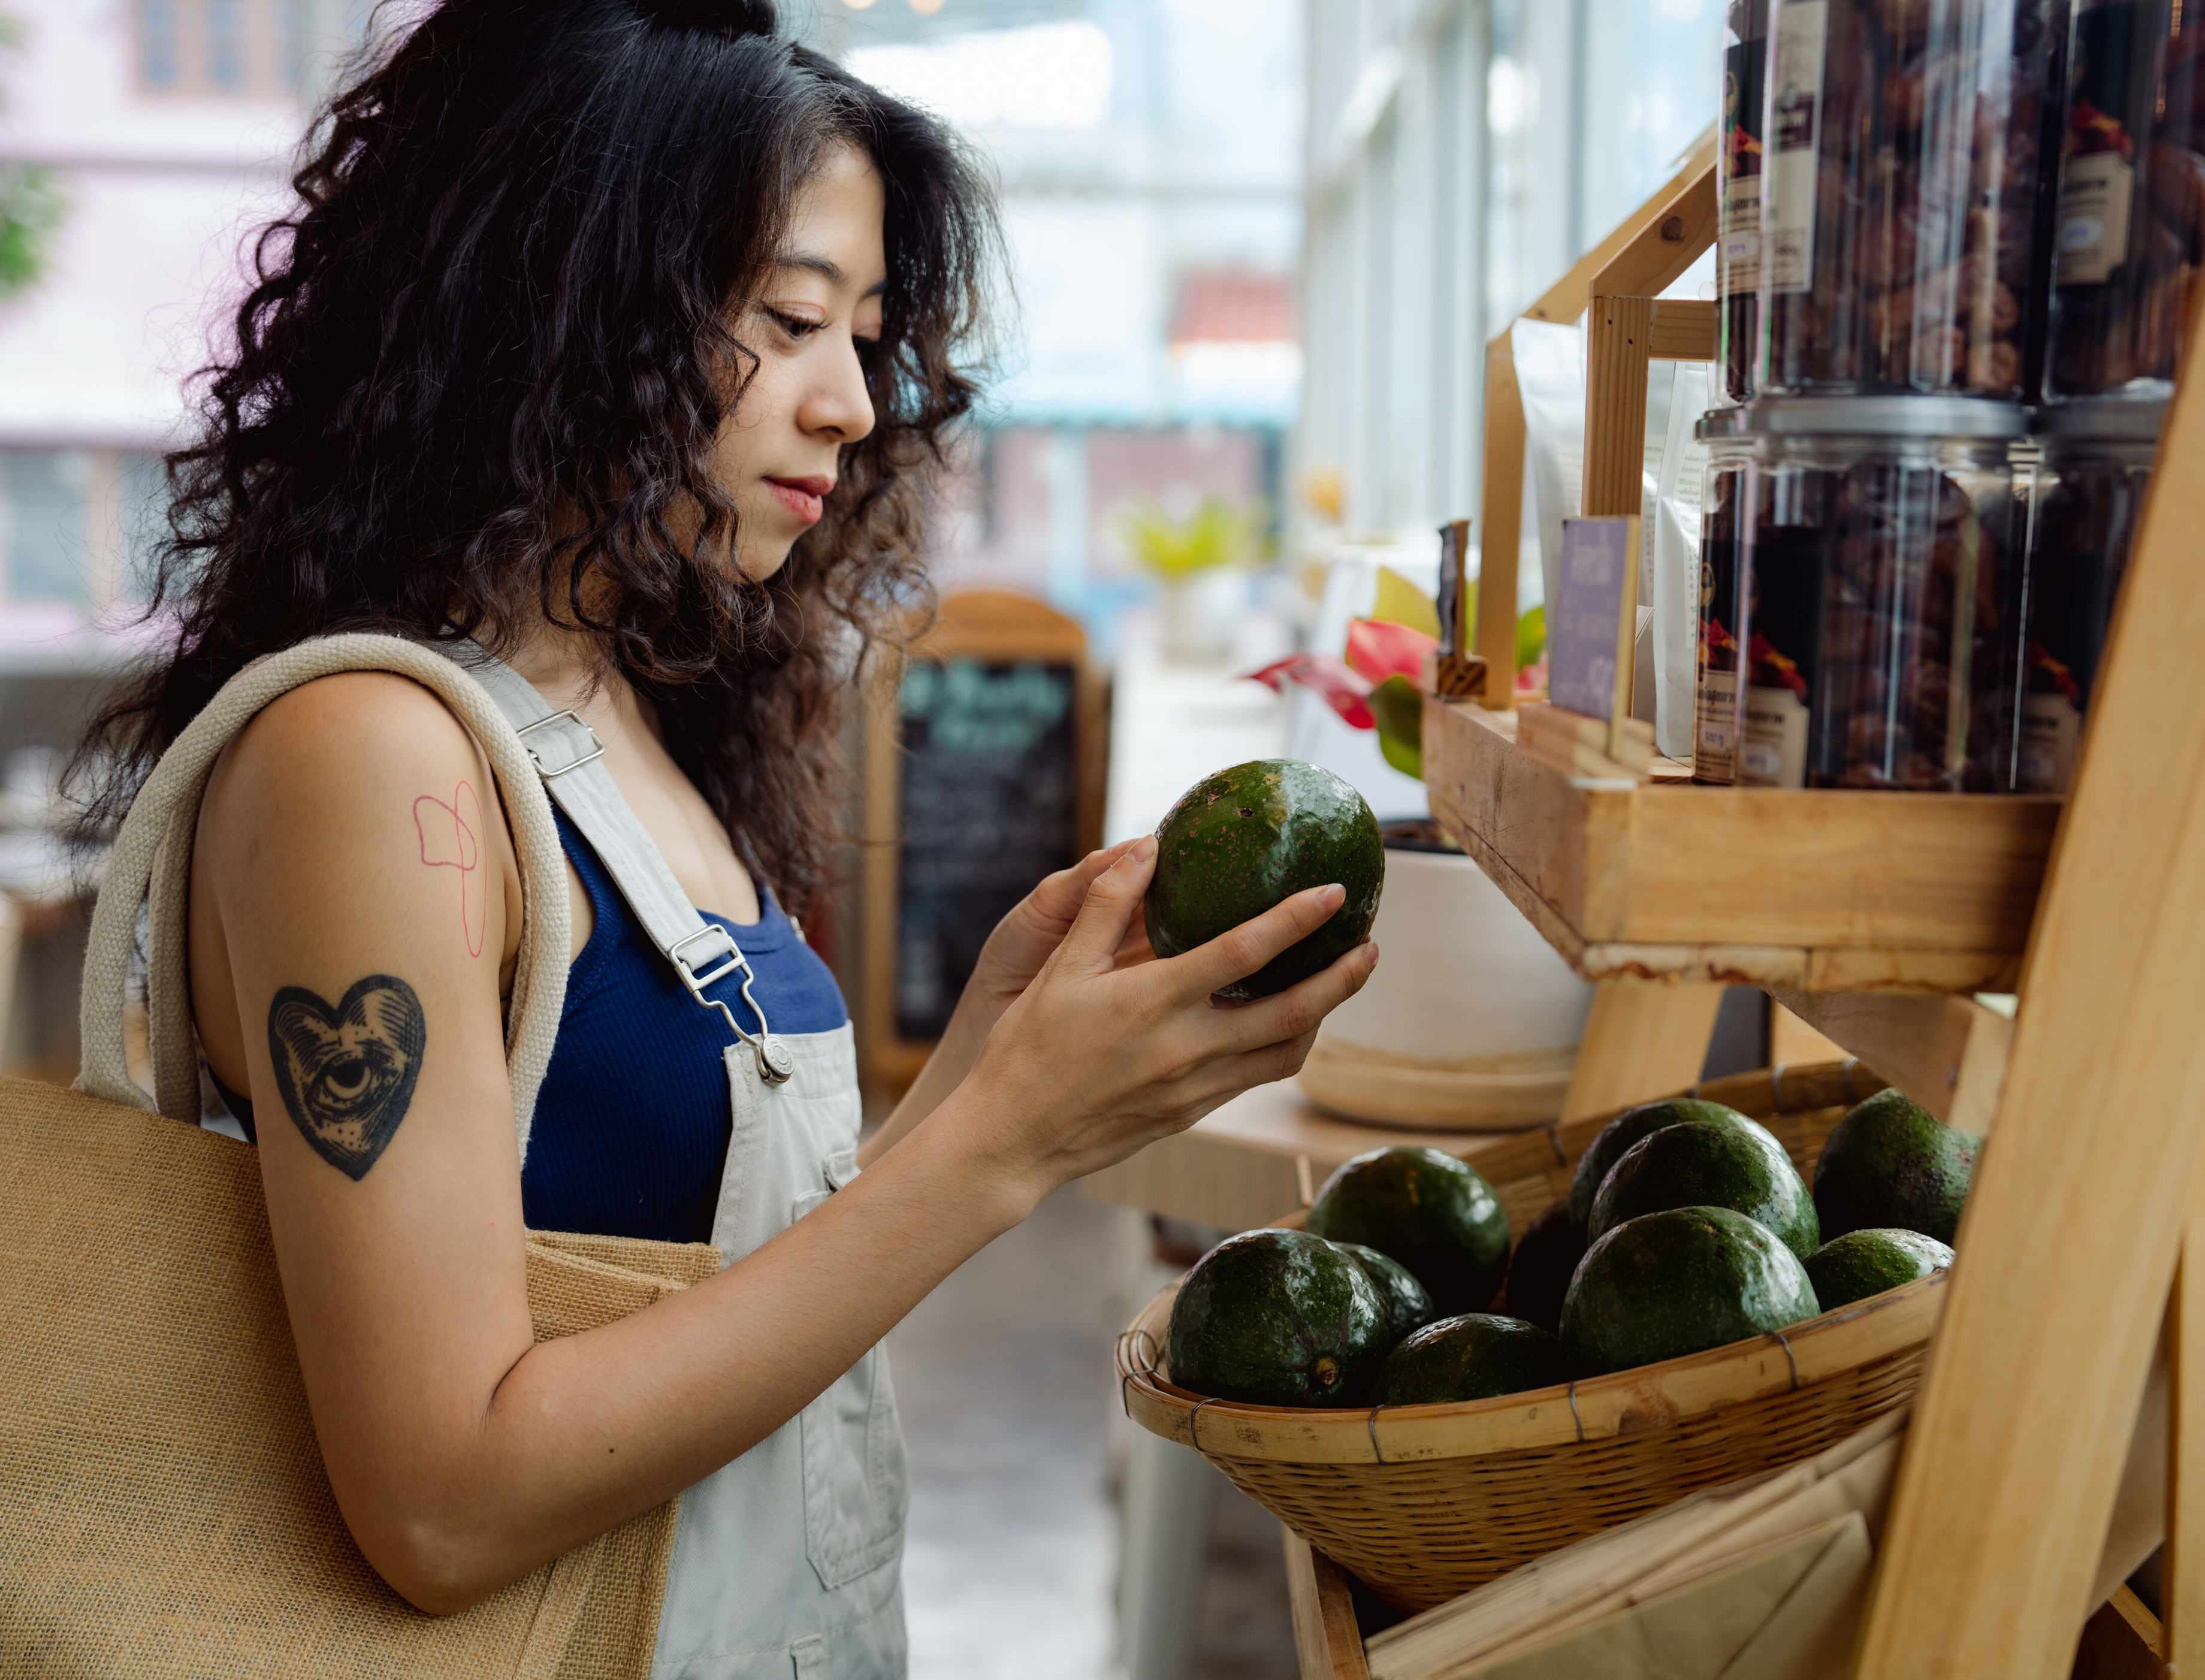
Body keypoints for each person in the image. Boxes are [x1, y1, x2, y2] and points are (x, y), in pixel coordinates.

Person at [70, 3, 1375, 1675]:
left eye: (870, 333)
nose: (852, 401)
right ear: (564, 301)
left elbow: (722, 1277)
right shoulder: (369, 759)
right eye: (791, 317)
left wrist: (988, 1066)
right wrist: (1006, 1152)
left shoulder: (624, 710)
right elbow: (443, 1494)